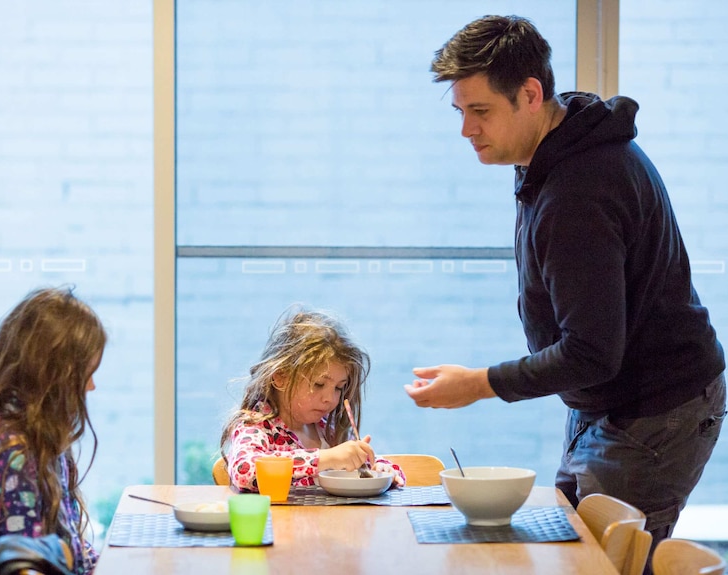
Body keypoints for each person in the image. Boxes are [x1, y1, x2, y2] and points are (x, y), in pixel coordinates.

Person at [405, 14, 726, 573]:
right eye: (460, 112)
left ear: (531, 94)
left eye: (480, 111)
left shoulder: (580, 190)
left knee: (595, 566)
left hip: (654, 407)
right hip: (610, 402)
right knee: (570, 552)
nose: (466, 130)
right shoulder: (554, 154)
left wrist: (478, 385)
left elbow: (592, 353)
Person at [0, 286, 107, 575]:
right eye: (86, 374)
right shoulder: (13, 457)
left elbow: (70, 550)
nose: (91, 386)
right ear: (55, 377)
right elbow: (28, 568)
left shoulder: (34, 441)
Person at [221, 305, 405, 490]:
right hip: (282, 520)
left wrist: (382, 469)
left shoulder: (328, 430)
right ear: (280, 377)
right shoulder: (256, 426)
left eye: (339, 388)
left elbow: (364, 463)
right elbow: (246, 471)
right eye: (318, 384)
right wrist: (327, 458)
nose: (330, 398)